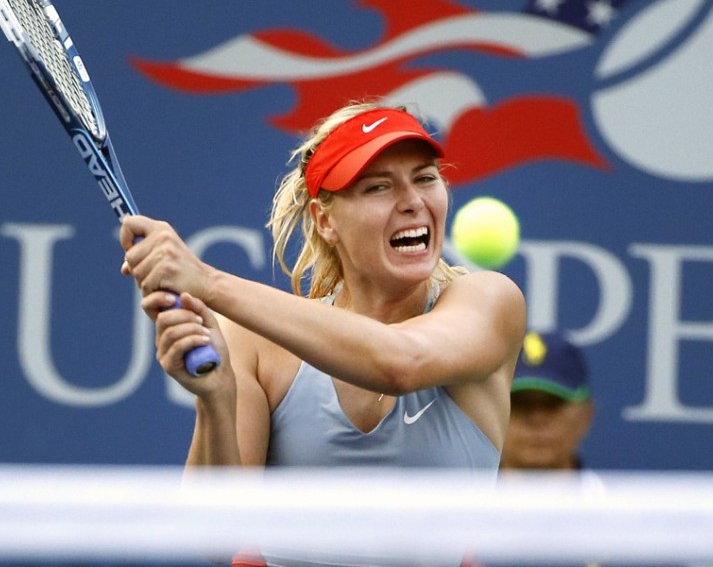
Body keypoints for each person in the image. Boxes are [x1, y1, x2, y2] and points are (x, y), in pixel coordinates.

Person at [119, 102, 526, 566]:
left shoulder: (490, 302)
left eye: (426, 177)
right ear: (325, 220)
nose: (413, 200)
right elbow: (216, 542)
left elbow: (398, 362)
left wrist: (209, 282)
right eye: (378, 187)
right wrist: (215, 397)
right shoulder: (254, 345)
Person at [499, 330, 595, 472]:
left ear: (585, 416)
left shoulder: (620, 494)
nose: (537, 419)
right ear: (492, 417)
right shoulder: (458, 494)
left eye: (554, 403)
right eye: (519, 402)